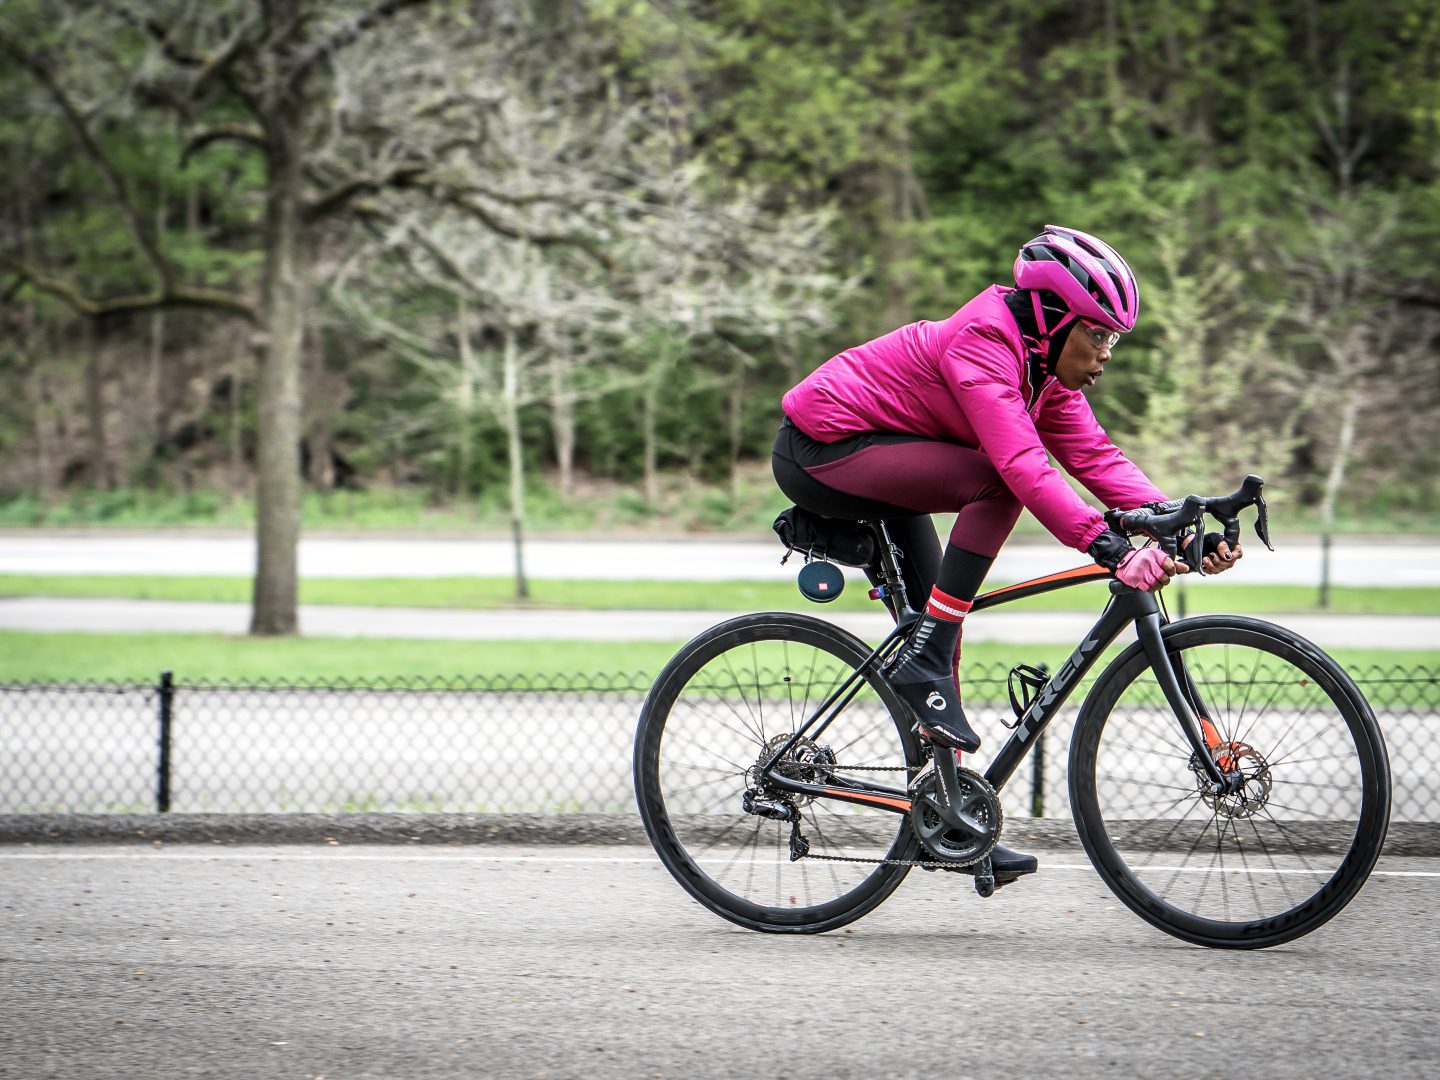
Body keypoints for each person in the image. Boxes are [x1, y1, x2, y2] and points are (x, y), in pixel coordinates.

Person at [771, 224, 1242, 882]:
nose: (1107, 353)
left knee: (939, 631)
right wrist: (1108, 547)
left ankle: (946, 818)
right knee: (991, 495)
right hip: (822, 448)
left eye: (1113, 339)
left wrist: (1181, 529)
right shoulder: (985, 341)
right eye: (1099, 334)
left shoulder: (1043, 373)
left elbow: (1096, 460)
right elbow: (1023, 466)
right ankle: (927, 655)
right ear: (1055, 320)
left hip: (886, 454)